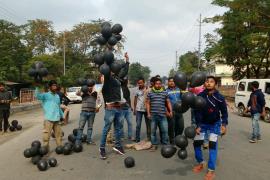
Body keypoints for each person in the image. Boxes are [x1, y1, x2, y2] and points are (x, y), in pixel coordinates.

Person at [192, 76, 228, 180]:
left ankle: (211, 170)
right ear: (204, 83)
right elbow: (197, 112)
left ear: (215, 84)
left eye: (211, 82)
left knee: (212, 146)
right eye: (207, 81)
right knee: (196, 144)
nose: (208, 83)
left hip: (215, 124)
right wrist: (198, 125)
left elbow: (224, 113)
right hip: (202, 124)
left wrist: (224, 125)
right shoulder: (199, 96)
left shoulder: (220, 97)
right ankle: (200, 162)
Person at [99, 52, 129, 159]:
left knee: (118, 128)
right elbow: (106, 70)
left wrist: (127, 61)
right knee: (106, 128)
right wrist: (107, 59)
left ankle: (117, 146)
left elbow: (124, 71)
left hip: (119, 108)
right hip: (110, 108)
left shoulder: (117, 79)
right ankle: (102, 148)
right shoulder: (107, 79)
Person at [35, 80, 63, 149]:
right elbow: (37, 96)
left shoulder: (57, 96)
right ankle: (45, 148)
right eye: (53, 85)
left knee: (59, 134)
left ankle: (60, 147)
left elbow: (58, 106)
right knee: (46, 135)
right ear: (50, 87)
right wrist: (37, 87)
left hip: (57, 118)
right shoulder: (46, 95)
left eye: (55, 85)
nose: (54, 87)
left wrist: (62, 115)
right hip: (49, 118)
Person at [146, 77, 172, 151]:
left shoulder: (164, 92)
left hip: (163, 116)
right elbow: (148, 103)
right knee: (153, 132)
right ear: (154, 84)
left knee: (165, 131)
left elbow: (168, 102)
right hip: (153, 116)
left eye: (159, 84)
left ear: (161, 84)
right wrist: (148, 113)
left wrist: (170, 111)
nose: (158, 85)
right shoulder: (150, 93)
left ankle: (165, 144)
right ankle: (154, 145)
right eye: (157, 84)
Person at [166, 77, 184, 144]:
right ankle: (172, 140)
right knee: (171, 127)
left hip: (179, 111)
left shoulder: (179, 89)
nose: (172, 82)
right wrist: (167, 112)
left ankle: (177, 138)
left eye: (173, 81)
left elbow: (184, 98)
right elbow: (165, 102)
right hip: (171, 111)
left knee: (181, 126)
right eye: (170, 81)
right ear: (168, 82)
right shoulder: (166, 91)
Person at [134, 77, 151, 142]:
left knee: (148, 125)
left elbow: (150, 99)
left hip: (147, 110)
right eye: (139, 83)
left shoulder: (148, 89)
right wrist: (135, 109)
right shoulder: (136, 90)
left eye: (141, 83)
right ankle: (137, 138)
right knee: (138, 125)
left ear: (144, 82)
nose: (140, 84)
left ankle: (149, 138)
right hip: (139, 110)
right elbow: (135, 99)